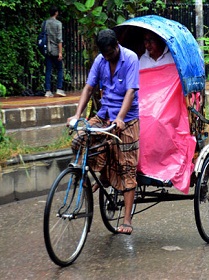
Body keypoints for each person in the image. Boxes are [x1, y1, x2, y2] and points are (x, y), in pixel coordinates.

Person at [67, 29, 140, 234]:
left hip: (127, 119)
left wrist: (120, 118)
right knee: (79, 140)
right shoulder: (100, 60)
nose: (108, 57)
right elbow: (89, 88)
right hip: (104, 113)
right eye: (105, 55)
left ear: (117, 45)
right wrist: (76, 115)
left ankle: (126, 219)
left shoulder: (131, 59)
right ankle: (101, 176)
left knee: (127, 167)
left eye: (110, 53)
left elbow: (130, 91)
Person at [44, 6, 66, 97]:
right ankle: (59, 88)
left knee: (48, 70)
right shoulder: (58, 24)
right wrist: (60, 52)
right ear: (56, 13)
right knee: (60, 69)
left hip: (47, 49)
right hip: (56, 50)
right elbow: (59, 39)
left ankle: (48, 91)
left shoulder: (45, 23)